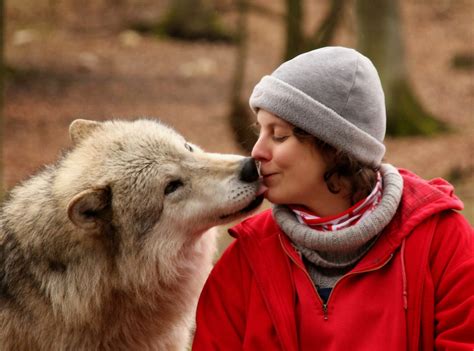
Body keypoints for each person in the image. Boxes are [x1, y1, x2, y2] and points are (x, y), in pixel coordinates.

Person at [192, 47, 474, 350]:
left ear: (333, 147)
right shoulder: (245, 260)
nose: (257, 152)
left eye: (279, 135)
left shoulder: (442, 241)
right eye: (260, 131)